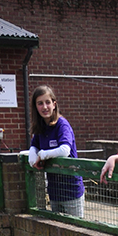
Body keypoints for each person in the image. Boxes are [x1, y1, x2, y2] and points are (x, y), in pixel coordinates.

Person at [29, 85, 84, 217]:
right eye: (40, 103)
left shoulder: (62, 125)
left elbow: (65, 150)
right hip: (54, 192)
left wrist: (43, 155)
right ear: (35, 107)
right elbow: (34, 145)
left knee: (76, 231)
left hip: (71, 191)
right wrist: (32, 157)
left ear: (54, 104)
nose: (45, 107)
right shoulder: (40, 127)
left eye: (47, 102)